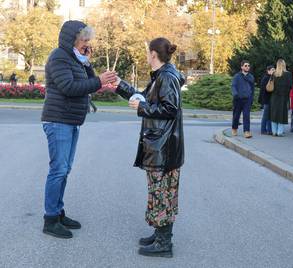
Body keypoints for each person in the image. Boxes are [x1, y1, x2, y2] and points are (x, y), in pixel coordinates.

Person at [41, 20, 117, 239]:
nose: (86, 43)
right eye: (83, 39)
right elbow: (69, 87)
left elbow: (90, 80)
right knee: (58, 170)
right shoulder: (58, 57)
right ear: (71, 38)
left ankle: (58, 211)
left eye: (87, 40)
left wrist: (87, 62)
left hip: (70, 121)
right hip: (58, 121)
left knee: (65, 169)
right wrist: (99, 81)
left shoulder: (75, 58)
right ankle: (50, 219)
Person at [114, 37, 185, 258]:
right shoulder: (162, 76)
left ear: (153, 54)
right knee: (161, 192)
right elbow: (145, 98)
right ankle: (160, 234)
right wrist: (120, 85)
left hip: (163, 147)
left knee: (162, 193)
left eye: (147, 52)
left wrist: (143, 107)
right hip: (162, 145)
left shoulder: (166, 77)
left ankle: (164, 244)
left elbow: (169, 108)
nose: (146, 55)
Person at [231, 60, 255, 138]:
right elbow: (233, 86)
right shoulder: (237, 76)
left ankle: (246, 131)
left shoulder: (251, 77)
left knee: (246, 116)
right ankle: (234, 128)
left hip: (247, 99)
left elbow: (252, 89)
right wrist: (235, 95)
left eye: (248, 66)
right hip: (238, 99)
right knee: (236, 115)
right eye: (245, 65)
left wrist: (251, 98)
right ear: (241, 67)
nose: (247, 67)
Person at [269, 59, 293, 137]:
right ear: (284, 65)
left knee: (274, 114)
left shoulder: (274, 74)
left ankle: (274, 131)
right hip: (284, 97)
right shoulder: (288, 74)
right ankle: (280, 132)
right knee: (282, 114)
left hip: (274, 97)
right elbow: (291, 86)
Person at [259, 65, 274, 135]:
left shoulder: (269, 77)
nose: (273, 71)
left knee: (268, 115)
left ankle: (269, 130)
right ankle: (263, 130)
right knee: (266, 115)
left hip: (268, 99)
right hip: (267, 99)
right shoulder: (267, 78)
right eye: (272, 70)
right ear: (268, 71)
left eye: (274, 70)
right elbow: (266, 90)